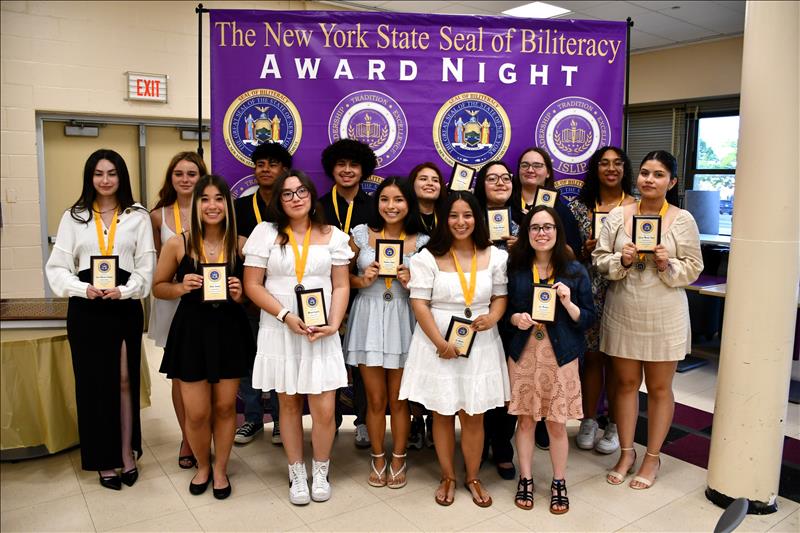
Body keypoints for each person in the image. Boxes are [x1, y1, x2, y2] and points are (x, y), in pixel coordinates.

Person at [46, 149, 155, 490]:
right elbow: (57, 268)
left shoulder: (137, 216)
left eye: (112, 173)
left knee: (124, 381)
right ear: (89, 177)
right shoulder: (73, 216)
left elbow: (145, 267)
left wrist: (126, 290)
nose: (105, 180)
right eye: (98, 173)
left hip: (123, 306)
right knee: (94, 385)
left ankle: (125, 452)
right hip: (87, 308)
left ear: (122, 177)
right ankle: (102, 459)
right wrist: (82, 288)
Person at [593, 150, 703, 489]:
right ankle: (626, 452)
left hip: (664, 312)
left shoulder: (683, 219)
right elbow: (600, 259)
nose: (649, 180)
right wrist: (621, 261)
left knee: (658, 388)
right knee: (625, 385)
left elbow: (694, 268)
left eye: (657, 174)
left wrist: (667, 263)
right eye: (644, 173)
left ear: (671, 182)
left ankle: (652, 456)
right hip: (624, 307)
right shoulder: (618, 215)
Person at [243, 170, 353, 505]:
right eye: (287, 193)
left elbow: (341, 284)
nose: (295, 197)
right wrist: (285, 316)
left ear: (311, 195)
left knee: (323, 409)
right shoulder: (265, 233)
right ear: (278, 200)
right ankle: (296, 472)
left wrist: (333, 324)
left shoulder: (332, 235)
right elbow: (252, 285)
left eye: (301, 191)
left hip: (321, 330)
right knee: (288, 405)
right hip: (281, 327)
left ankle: (320, 470)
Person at [399, 192, 510, 508]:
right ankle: (447, 475)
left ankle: (473, 476)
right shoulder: (426, 257)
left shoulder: (494, 256)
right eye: (453, 215)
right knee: (443, 412)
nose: (461, 222)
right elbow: (419, 302)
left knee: (474, 414)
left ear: (478, 218)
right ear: (443, 219)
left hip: (481, 340)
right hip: (438, 341)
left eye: (468, 215)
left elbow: (500, 296)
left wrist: (493, 316)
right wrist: (439, 342)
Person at [153, 175, 254, 500]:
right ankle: (202, 465)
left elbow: (255, 293)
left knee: (225, 408)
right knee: (196, 412)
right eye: (205, 199)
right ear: (195, 205)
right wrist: (182, 287)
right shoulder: (178, 244)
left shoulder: (242, 245)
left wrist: (242, 296)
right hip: (191, 333)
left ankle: (221, 468)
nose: (212, 206)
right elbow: (158, 287)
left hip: (229, 331)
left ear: (228, 204)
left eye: (219, 199)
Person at [505, 205, 595, 514]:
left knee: (557, 425)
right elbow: (504, 313)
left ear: (558, 232)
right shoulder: (515, 268)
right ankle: (526, 479)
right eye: (535, 228)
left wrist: (569, 303)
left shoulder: (574, 270)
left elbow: (588, 319)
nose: (541, 233)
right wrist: (516, 318)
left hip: (562, 355)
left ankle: (559, 481)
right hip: (524, 352)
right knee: (525, 420)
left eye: (548, 227)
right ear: (526, 233)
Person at [344, 178, 428, 489]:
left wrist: (412, 282)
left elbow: (434, 289)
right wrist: (362, 280)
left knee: (399, 400)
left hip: (404, 315)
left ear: (409, 204)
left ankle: (399, 457)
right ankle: (378, 456)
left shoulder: (423, 241)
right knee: (376, 399)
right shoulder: (361, 234)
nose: (391, 206)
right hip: (368, 315)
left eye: (398, 200)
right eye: (385, 199)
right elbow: (339, 279)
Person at [511, 147, 582, 451]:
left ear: (548, 171)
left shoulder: (559, 206)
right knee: (521, 405)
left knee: (553, 414)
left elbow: (573, 250)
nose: (531, 170)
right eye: (525, 165)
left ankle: (545, 432)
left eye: (537, 165)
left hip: (556, 320)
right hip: (518, 293)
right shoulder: (508, 201)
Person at [569, 146, 636, 455]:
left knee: (619, 361)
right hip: (588, 288)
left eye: (617, 163)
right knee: (593, 358)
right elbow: (566, 252)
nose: (611, 169)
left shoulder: (637, 207)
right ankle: (589, 419)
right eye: (604, 164)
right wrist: (585, 249)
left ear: (625, 169)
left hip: (624, 289)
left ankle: (614, 424)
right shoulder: (579, 206)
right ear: (595, 169)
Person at [148, 151, 207, 470]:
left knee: (206, 376)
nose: (185, 179)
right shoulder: (157, 216)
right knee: (180, 376)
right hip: (174, 304)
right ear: (171, 178)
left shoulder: (213, 210)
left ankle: (206, 434)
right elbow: (159, 268)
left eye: (192, 174)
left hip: (210, 306)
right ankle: (188, 438)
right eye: (179, 174)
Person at [233, 142, 293, 447]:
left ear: (285, 171)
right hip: (247, 296)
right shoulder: (240, 208)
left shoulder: (293, 209)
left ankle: (283, 421)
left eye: (272, 164)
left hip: (284, 298)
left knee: (282, 359)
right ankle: (254, 418)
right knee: (249, 359)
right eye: (260, 164)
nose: (265, 169)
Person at [318, 138, 377, 448]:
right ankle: (332, 420)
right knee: (330, 361)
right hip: (324, 297)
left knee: (364, 364)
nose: (347, 170)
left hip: (366, 298)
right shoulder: (317, 206)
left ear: (363, 170)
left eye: (353, 165)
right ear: (332, 169)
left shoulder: (375, 206)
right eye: (341, 164)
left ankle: (364, 420)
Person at [473, 160, 520, 480]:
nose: (501, 183)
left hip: (513, 312)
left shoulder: (526, 223)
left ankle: (502, 445)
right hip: (475, 311)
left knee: (507, 382)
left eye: (506, 178)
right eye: (493, 178)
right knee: (479, 377)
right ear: (482, 184)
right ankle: (478, 441)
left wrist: (523, 251)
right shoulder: (469, 220)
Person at [407, 161, 447, 449]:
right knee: (415, 364)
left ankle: (436, 419)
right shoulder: (403, 216)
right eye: (423, 178)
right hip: (410, 300)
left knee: (435, 365)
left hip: (444, 303)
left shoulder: (449, 217)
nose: (430, 183)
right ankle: (415, 420)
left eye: (435, 179)